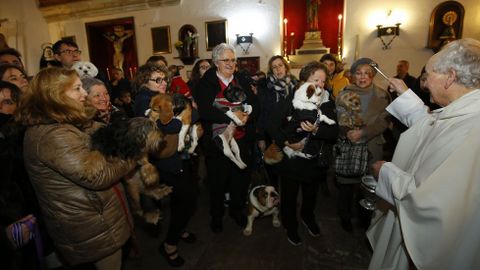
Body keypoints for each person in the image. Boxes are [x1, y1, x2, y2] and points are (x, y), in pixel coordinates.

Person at [367, 38, 480, 270]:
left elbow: (432, 206)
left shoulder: (473, 129)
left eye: (427, 76)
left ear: (450, 77)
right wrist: (405, 94)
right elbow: (431, 127)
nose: (424, 83)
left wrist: (386, 173)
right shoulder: (464, 113)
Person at [16, 67, 136, 269]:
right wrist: (130, 157)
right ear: (56, 95)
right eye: (77, 89)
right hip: (90, 226)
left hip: (97, 218)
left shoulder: (65, 121)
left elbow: (99, 131)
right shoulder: (53, 135)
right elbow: (96, 177)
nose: (84, 94)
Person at [267, 61, 338, 246]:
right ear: (305, 81)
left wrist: (316, 130)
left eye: (323, 81)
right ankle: (290, 225)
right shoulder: (292, 98)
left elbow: (333, 132)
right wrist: (287, 142)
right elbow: (271, 125)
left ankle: (308, 217)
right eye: (316, 80)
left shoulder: (328, 101)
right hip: (291, 160)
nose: (320, 85)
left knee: (311, 195)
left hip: (314, 160)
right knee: (289, 196)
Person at [134, 63, 198, 267]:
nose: (163, 84)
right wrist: (181, 117)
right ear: (145, 81)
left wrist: (183, 115)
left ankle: (178, 229)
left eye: (164, 79)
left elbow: (194, 114)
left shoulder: (163, 97)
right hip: (164, 160)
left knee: (185, 198)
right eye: (157, 80)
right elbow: (170, 123)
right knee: (188, 199)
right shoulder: (144, 99)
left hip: (176, 157)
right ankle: (169, 244)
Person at [195, 43, 258, 234]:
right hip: (217, 144)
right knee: (217, 183)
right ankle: (216, 216)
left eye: (233, 60)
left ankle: (236, 212)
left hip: (242, 140)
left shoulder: (241, 79)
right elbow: (206, 111)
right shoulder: (206, 83)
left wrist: (247, 116)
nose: (230, 64)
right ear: (216, 62)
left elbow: (255, 103)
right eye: (226, 60)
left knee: (240, 181)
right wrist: (232, 117)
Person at [335, 58, 390, 232]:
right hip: (348, 146)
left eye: (367, 73)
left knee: (367, 186)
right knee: (346, 186)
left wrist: (363, 132)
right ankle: (345, 217)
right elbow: (337, 118)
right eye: (358, 73)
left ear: (373, 75)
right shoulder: (343, 93)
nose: (363, 77)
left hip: (372, 145)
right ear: (352, 75)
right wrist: (347, 132)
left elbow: (384, 122)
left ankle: (365, 218)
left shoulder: (383, 95)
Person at [257, 55, 298, 188]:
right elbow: (261, 114)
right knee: (272, 170)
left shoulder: (296, 86)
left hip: (290, 135)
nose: (278, 69)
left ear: (286, 67)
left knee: (289, 172)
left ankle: (287, 201)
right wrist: (261, 137)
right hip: (271, 135)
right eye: (274, 67)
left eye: (280, 65)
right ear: (271, 71)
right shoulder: (265, 88)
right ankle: (274, 197)